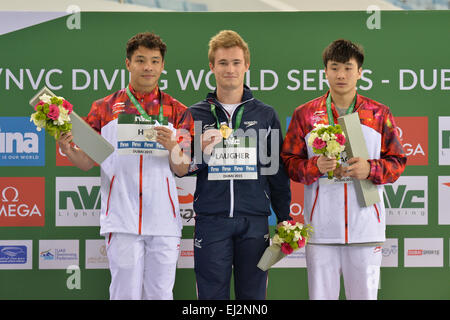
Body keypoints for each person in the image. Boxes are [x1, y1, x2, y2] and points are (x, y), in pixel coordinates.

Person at [57, 32, 190, 300]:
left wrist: (174, 148)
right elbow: (86, 161)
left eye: (154, 61)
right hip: (121, 219)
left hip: (163, 221)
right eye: (141, 60)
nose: (148, 67)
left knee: (161, 294)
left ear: (163, 66)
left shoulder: (177, 110)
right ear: (128, 63)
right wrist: (68, 148)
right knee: (123, 294)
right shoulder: (103, 108)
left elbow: (183, 168)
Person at [281, 39, 406, 300]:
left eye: (348, 68)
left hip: (366, 230)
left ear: (360, 72)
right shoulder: (305, 114)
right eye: (334, 67)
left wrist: (370, 169)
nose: (341, 75)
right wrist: (316, 166)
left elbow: (397, 162)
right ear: (325, 71)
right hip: (321, 231)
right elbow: (289, 163)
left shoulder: (378, 113)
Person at [178, 30, 291, 300]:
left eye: (236, 62)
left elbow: (276, 172)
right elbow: (179, 167)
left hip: (254, 221)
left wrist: (284, 218)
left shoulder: (265, 115)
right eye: (223, 63)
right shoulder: (194, 114)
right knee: (210, 297)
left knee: (253, 298)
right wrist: (201, 152)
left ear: (247, 66)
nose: (230, 69)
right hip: (211, 220)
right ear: (212, 67)